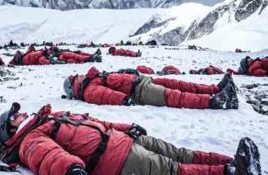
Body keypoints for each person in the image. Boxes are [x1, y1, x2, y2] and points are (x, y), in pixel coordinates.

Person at [0, 102, 264, 175]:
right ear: (9, 131)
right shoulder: (29, 140)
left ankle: (235, 164)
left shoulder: (51, 117)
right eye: (13, 115)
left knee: (180, 153)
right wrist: (72, 169)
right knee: (172, 173)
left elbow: (97, 123)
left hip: (122, 139)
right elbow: (49, 157)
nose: (19, 112)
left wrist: (126, 126)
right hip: (116, 162)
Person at [63, 67, 238, 110]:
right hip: (139, 91)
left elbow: (113, 81)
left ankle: (215, 89)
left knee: (179, 84)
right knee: (175, 96)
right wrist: (125, 100)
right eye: (73, 78)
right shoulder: (89, 89)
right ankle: (216, 102)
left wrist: (128, 72)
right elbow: (106, 95)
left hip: (142, 80)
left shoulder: (94, 78)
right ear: (74, 87)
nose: (77, 75)